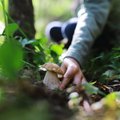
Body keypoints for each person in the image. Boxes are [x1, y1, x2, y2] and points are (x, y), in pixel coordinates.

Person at [46, 0, 120, 89]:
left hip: (110, 35)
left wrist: (74, 57)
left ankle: (76, 49)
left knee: (69, 29)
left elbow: (91, 18)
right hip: (98, 28)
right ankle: (69, 42)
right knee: (54, 29)